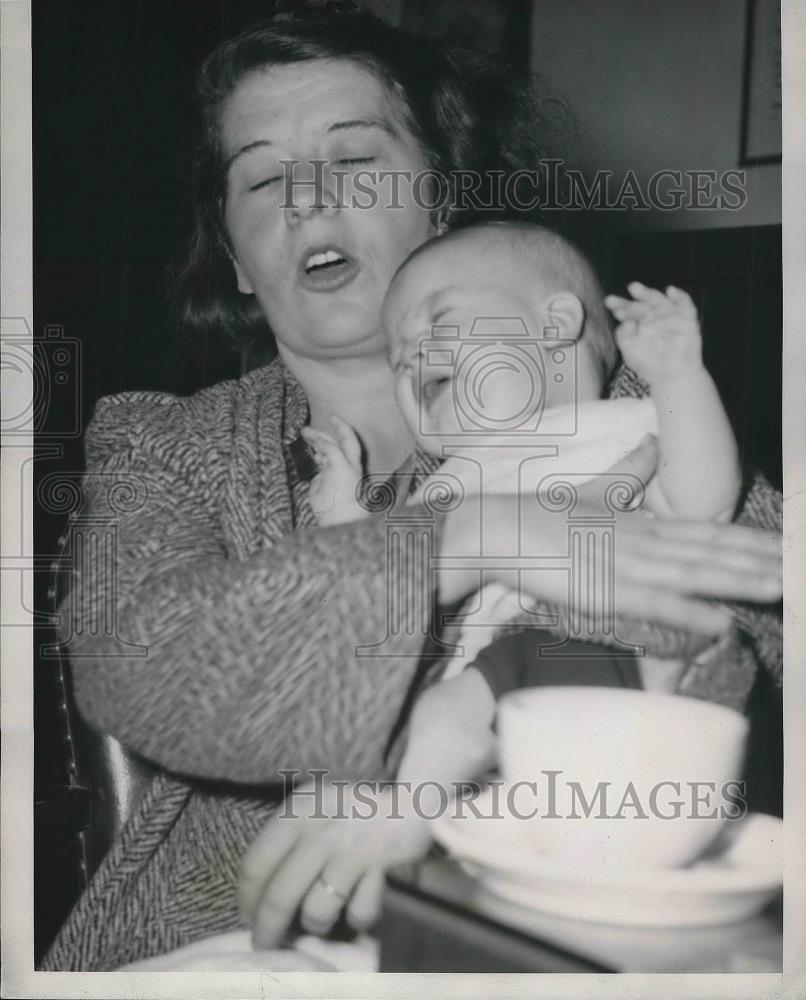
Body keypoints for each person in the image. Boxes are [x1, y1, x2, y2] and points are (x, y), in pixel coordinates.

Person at [42, 4, 783, 971]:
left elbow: (758, 618)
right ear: (235, 258)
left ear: (443, 200)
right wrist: (465, 538)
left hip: (566, 917)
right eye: (263, 177)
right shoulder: (166, 442)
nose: (308, 197)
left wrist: (480, 706)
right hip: (237, 931)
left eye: (353, 161)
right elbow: (139, 663)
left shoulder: (629, 397)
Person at [262, 220, 764, 899]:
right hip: (497, 720)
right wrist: (344, 512)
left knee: (450, 715)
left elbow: (705, 500)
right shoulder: (444, 484)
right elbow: (383, 580)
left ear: (555, 325)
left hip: (615, 665)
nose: (412, 359)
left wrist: (679, 376)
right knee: (408, 715)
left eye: (437, 322)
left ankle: (395, 824)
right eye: (399, 357)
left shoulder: (623, 426)